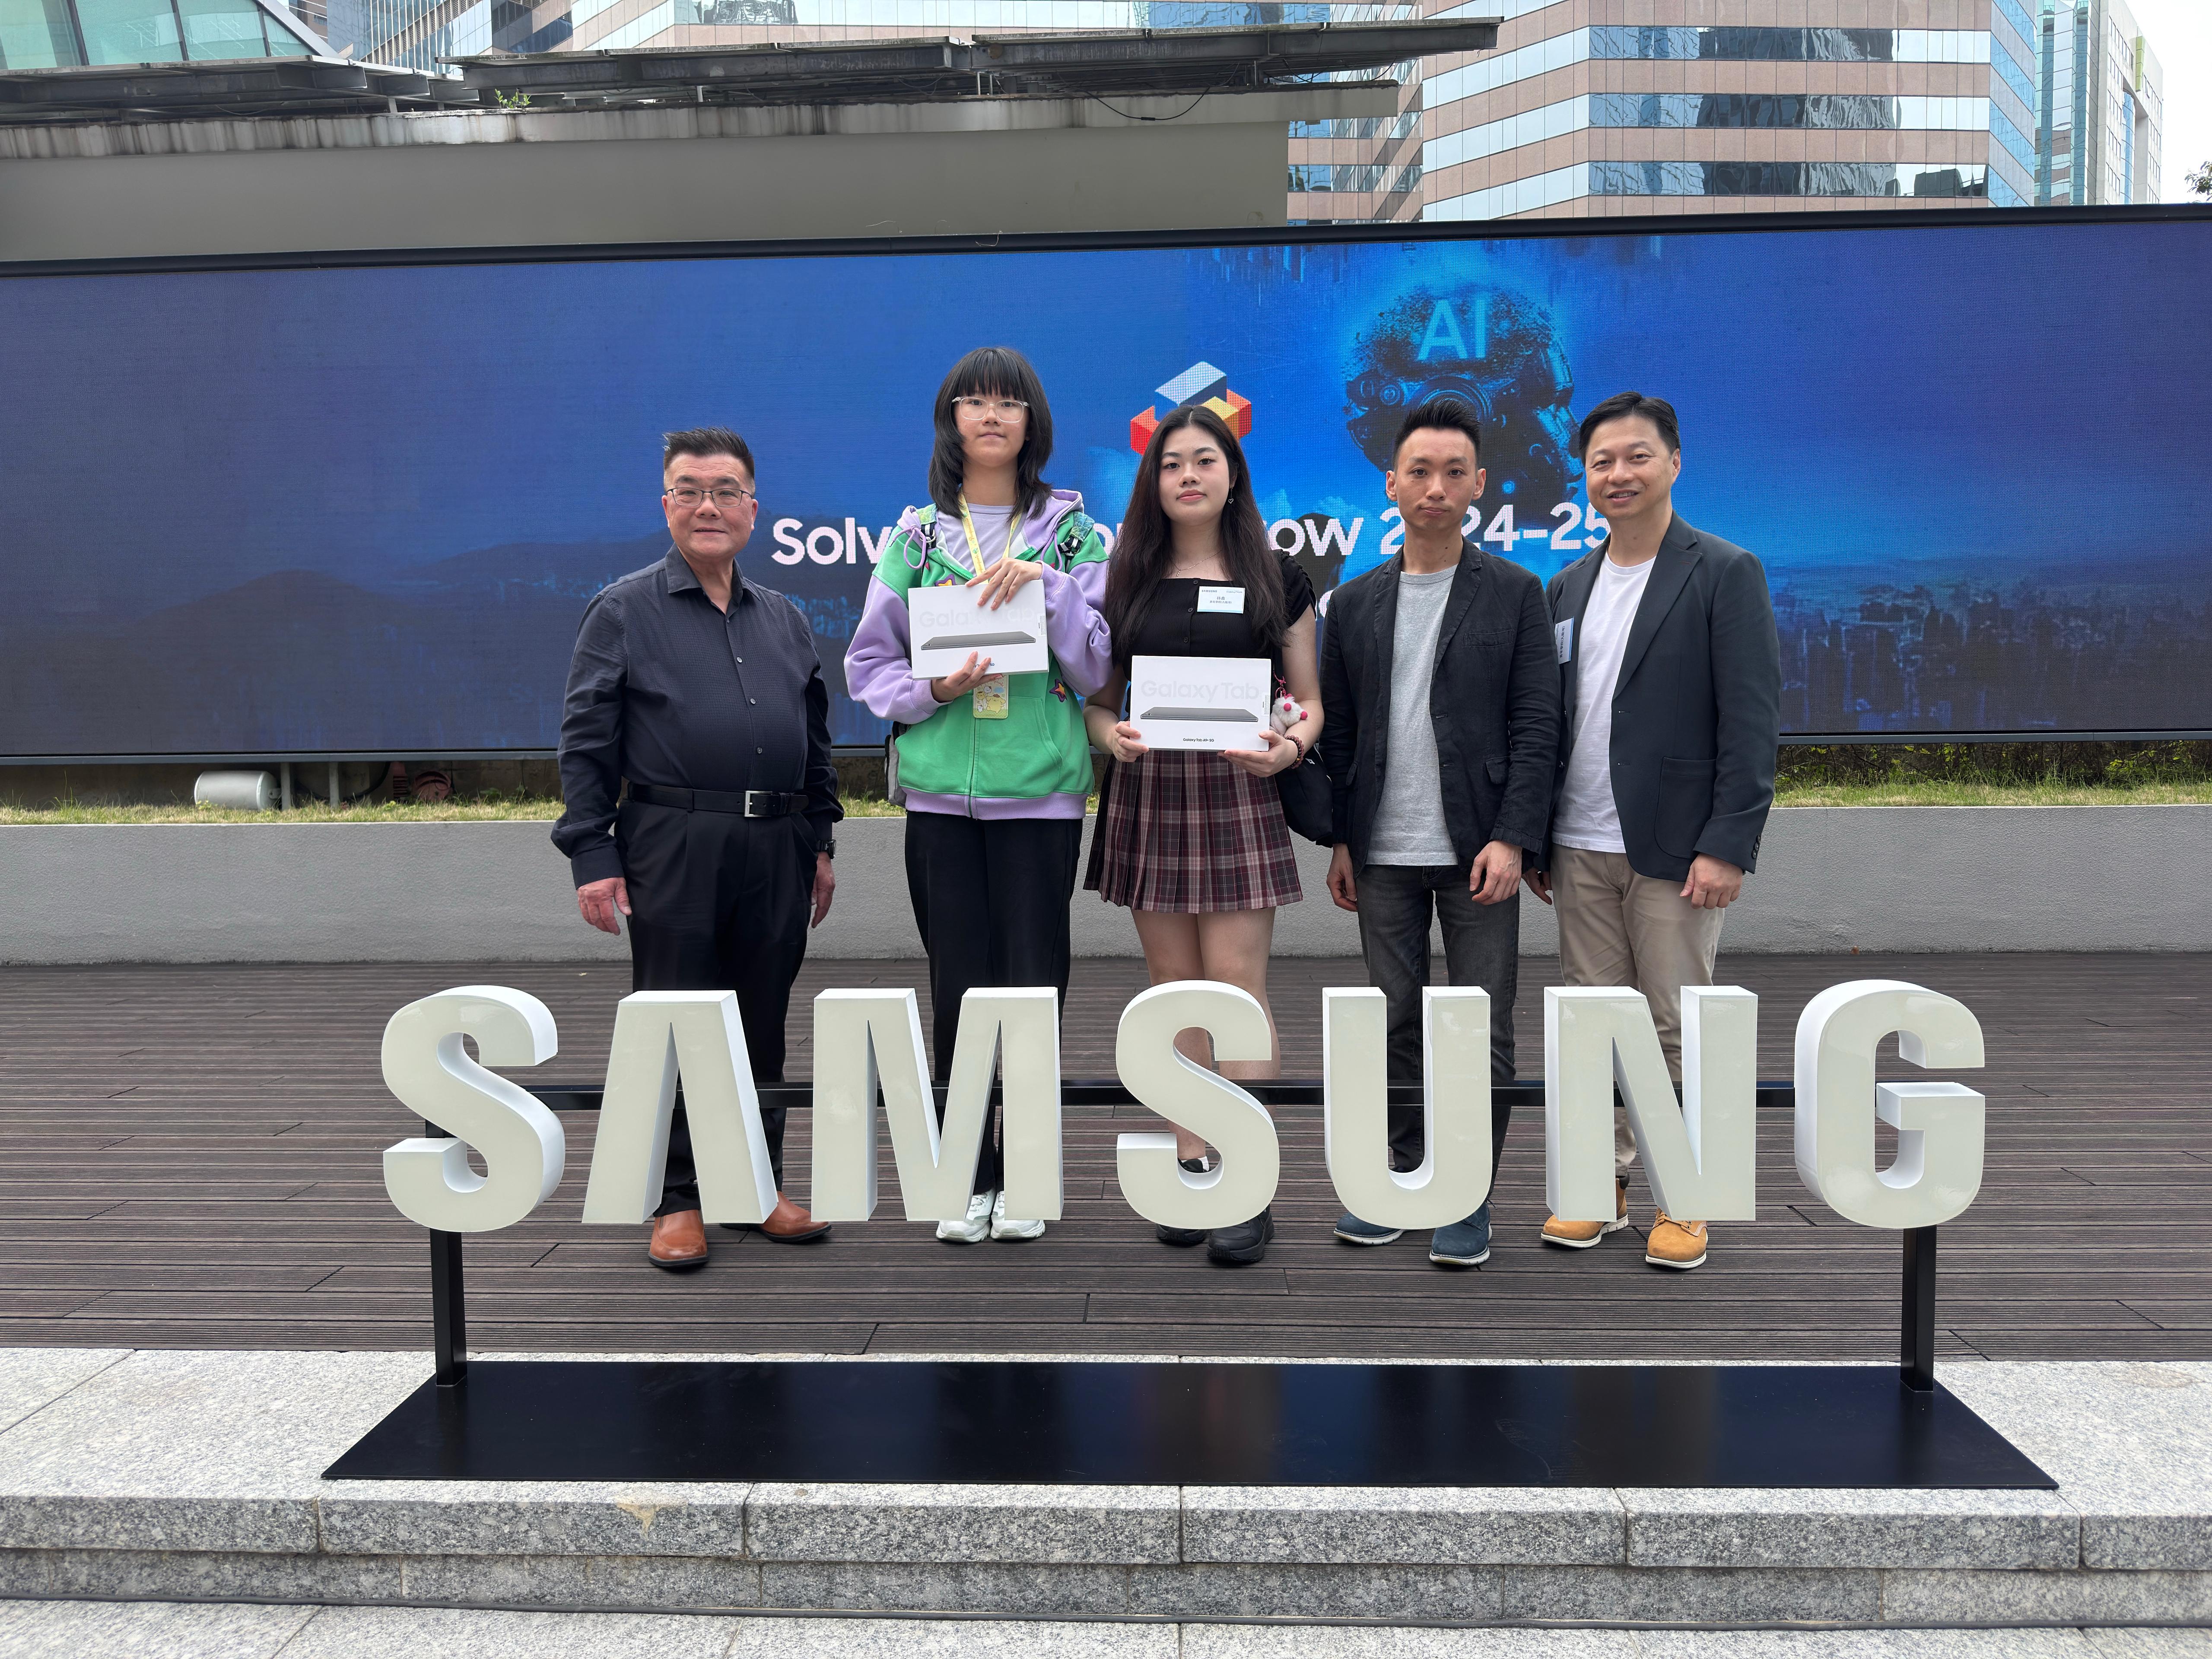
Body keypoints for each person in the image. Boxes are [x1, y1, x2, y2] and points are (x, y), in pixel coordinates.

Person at [553, 426, 842, 1271]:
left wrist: (820, 841)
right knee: (678, 1022)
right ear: (666, 504)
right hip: (671, 842)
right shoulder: (622, 611)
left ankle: (754, 1186)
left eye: (725, 491)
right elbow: (585, 743)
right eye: (689, 490)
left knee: (761, 1023)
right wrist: (591, 855)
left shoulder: (785, 618)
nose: (707, 506)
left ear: (753, 508)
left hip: (779, 844)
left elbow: (815, 740)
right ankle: (678, 1200)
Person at [845, 346, 1113, 1246]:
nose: (992, 416)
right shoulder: (916, 539)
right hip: (939, 803)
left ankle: (1026, 1172)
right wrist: (932, 692)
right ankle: (966, 1172)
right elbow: (868, 663)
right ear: (951, 420)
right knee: (956, 985)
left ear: (1033, 422)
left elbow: (1101, 666)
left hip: (1039, 798)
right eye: (974, 402)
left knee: (1033, 987)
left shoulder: (1074, 537)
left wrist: (1051, 589)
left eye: (1009, 403)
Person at [1529, 391, 1780, 1271]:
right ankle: (1601, 1185)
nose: (1618, 474)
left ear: (1673, 462)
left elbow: (1751, 720)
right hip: (1579, 843)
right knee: (1595, 1023)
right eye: (1601, 461)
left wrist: (1727, 843)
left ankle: (1685, 1197)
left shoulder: (1724, 572)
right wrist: (1538, 837)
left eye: (1636, 456)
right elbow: (1554, 720)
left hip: (1677, 849)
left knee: (1676, 1026)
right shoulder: (1567, 587)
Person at [1318, 396, 1560, 1269]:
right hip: (1380, 852)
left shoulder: (1517, 593)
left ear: (1479, 484)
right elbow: (1341, 736)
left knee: (1481, 1028)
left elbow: (1537, 725)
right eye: (1419, 471)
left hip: (1478, 853)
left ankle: (1467, 1195)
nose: (1435, 487)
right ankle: (1402, 1175)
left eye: (1454, 472)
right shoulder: (1352, 603)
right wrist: (1341, 840)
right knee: (1393, 1021)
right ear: (1390, 483)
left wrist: (1514, 837)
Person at [1082, 404, 1322, 1267]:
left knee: (1236, 991)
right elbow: (1098, 703)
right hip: (1151, 795)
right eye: (1172, 462)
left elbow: (1309, 702)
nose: (1189, 475)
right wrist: (1111, 737)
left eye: (1205, 460)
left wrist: (1288, 747)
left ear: (1232, 474)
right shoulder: (1123, 578)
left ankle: (1246, 1178)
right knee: (1173, 992)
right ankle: (1193, 1162)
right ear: (1153, 480)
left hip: (1237, 793)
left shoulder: (1276, 575)